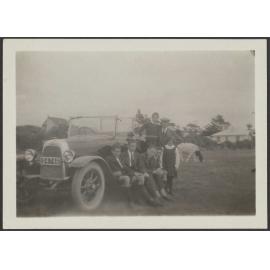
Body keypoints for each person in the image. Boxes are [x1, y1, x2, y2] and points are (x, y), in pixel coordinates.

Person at [121, 138, 162, 207]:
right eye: (131, 146)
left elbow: (141, 166)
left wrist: (144, 172)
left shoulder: (138, 155)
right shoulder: (123, 155)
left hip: (136, 173)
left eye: (134, 146)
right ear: (128, 146)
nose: (133, 148)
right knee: (140, 178)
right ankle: (149, 199)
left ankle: (155, 198)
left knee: (147, 177)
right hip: (126, 173)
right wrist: (134, 173)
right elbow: (124, 167)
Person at [105, 143, 135, 208]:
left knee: (134, 177)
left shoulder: (120, 158)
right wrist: (115, 173)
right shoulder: (109, 158)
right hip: (114, 176)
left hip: (122, 174)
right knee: (127, 178)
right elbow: (107, 170)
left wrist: (133, 173)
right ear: (112, 151)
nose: (118, 153)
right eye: (116, 151)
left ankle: (136, 199)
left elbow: (126, 168)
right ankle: (130, 201)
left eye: (119, 151)